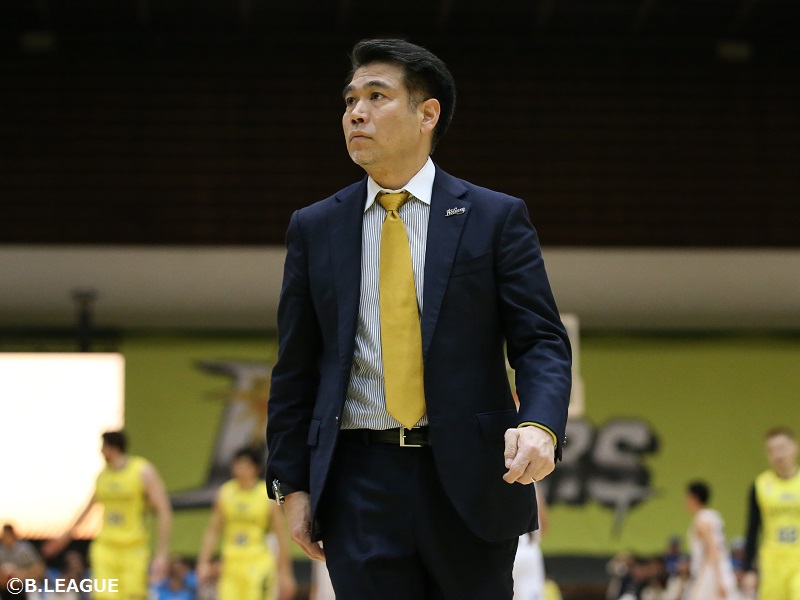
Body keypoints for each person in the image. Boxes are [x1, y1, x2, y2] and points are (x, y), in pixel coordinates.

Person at [266, 38, 572, 599]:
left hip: (472, 478)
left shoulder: (494, 217)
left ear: (426, 114)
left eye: (376, 96)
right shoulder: (315, 227)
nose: (355, 113)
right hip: (357, 481)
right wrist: (292, 485)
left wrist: (541, 424)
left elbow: (541, 342)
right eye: (350, 100)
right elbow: (296, 367)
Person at [44, 430, 172, 600]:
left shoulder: (142, 471)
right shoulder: (103, 476)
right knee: (103, 595)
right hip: (106, 547)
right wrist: (64, 537)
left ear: (113, 448)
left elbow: (164, 510)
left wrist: (162, 554)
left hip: (133, 547)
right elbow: (87, 510)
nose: (101, 451)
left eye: (103, 447)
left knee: (134, 596)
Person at [197, 447, 296, 600]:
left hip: (259, 564)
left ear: (255, 468)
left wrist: (285, 573)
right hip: (230, 566)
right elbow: (213, 530)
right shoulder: (225, 493)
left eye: (244, 465)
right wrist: (203, 562)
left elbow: (281, 535)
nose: (239, 470)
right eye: (237, 465)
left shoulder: (268, 495)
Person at [743, 426, 800, 600]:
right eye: (771, 450)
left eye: (782, 448)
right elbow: (752, 529)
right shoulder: (760, 485)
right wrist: (748, 569)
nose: (778, 455)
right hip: (771, 562)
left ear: (795, 448)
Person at [683, 481, 737, 600]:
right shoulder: (713, 516)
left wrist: (718, 580)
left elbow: (712, 549)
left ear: (694, 498)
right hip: (723, 569)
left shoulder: (701, 520)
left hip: (709, 572)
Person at [0, 524, 45, 600]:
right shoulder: (1, 551)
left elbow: (40, 569)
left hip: (24, 587)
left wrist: (22, 574)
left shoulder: (24, 549)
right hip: (4, 589)